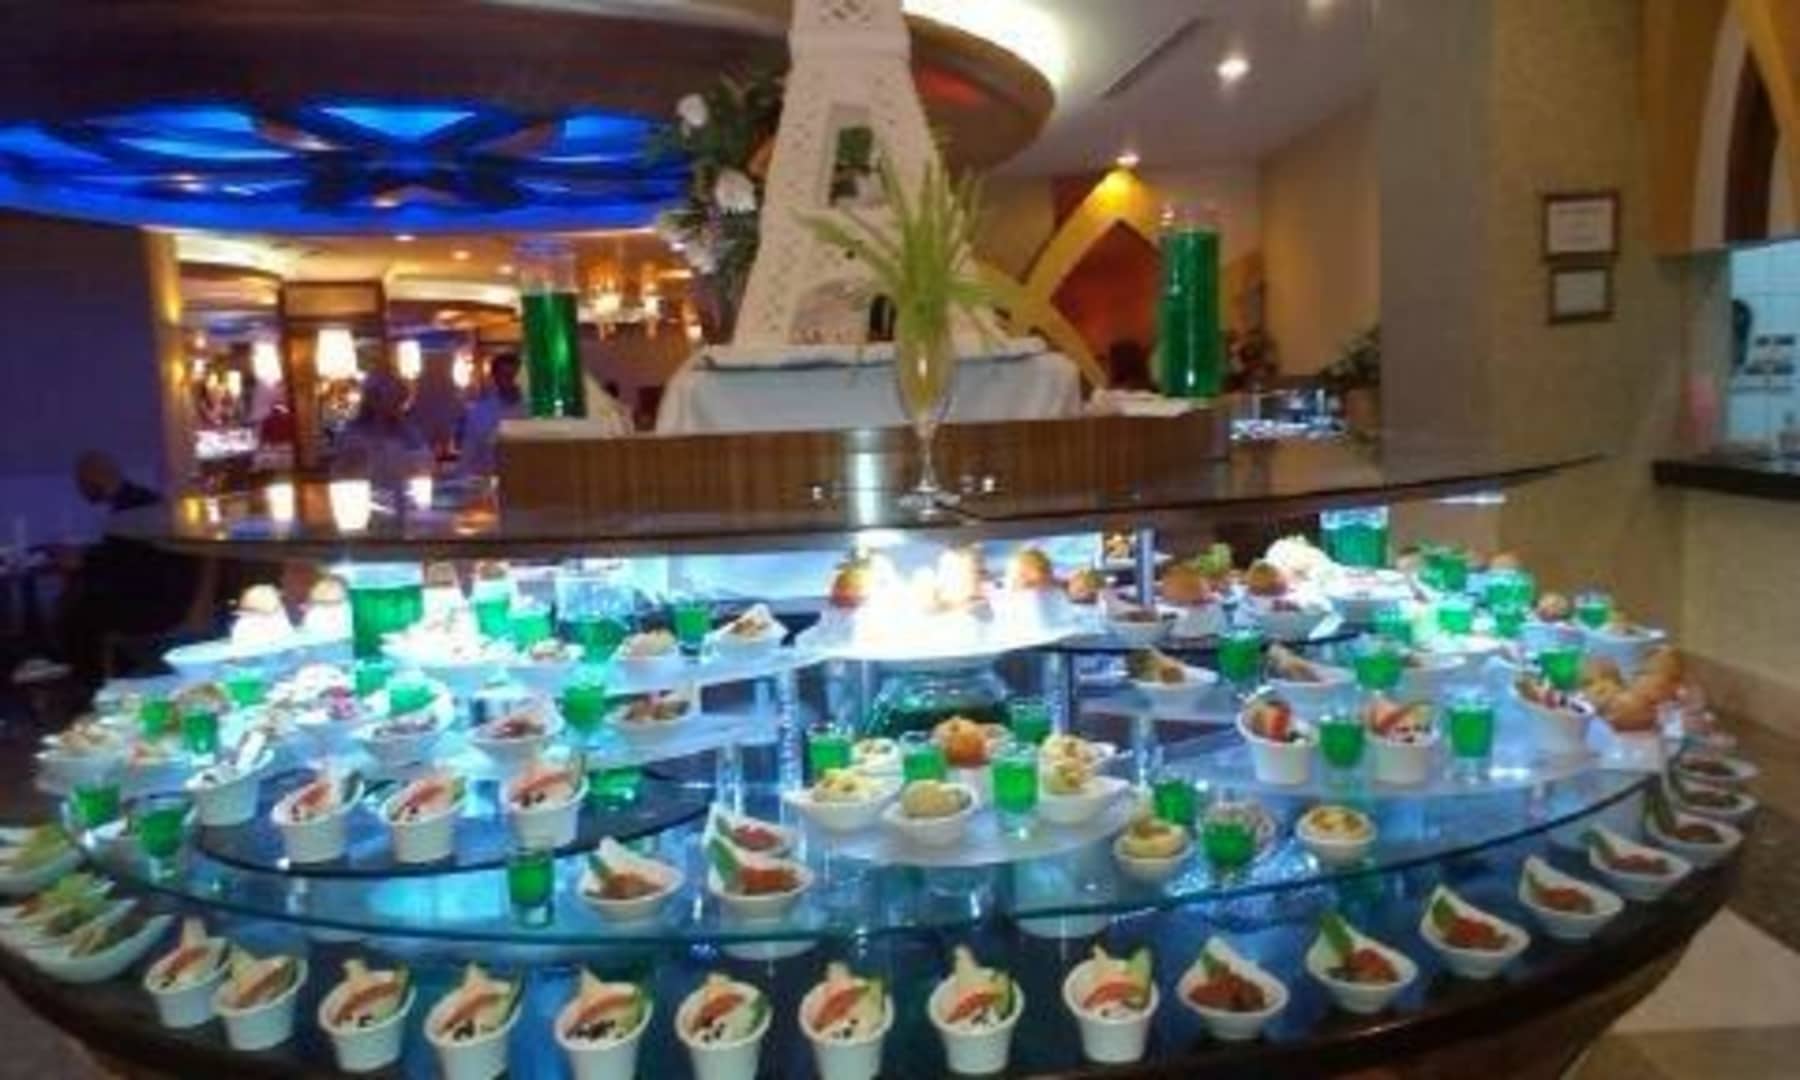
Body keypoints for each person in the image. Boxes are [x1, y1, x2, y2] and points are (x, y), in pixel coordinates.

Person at [56, 452, 204, 684]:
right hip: (167, 595)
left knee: (77, 613)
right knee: (82, 606)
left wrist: (81, 563)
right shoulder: (140, 499)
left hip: (158, 604)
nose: (80, 490)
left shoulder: (130, 508)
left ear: (95, 477)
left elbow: (121, 565)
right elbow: (127, 555)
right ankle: (109, 672)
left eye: (81, 483)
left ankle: (95, 681)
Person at [335, 367, 431, 492]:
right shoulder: (353, 434)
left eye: (398, 400)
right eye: (390, 397)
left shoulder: (409, 432)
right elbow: (345, 478)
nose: (397, 406)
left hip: (402, 497)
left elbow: (423, 468)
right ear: (371, 400)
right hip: (362, 496)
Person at [459, 352, 527, 476]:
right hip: (491, 480)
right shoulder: (480, 413)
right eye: (505, 375)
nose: (511, 380)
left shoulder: (530, 410)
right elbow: (468, 457)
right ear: (495, 378)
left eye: (513, 375)